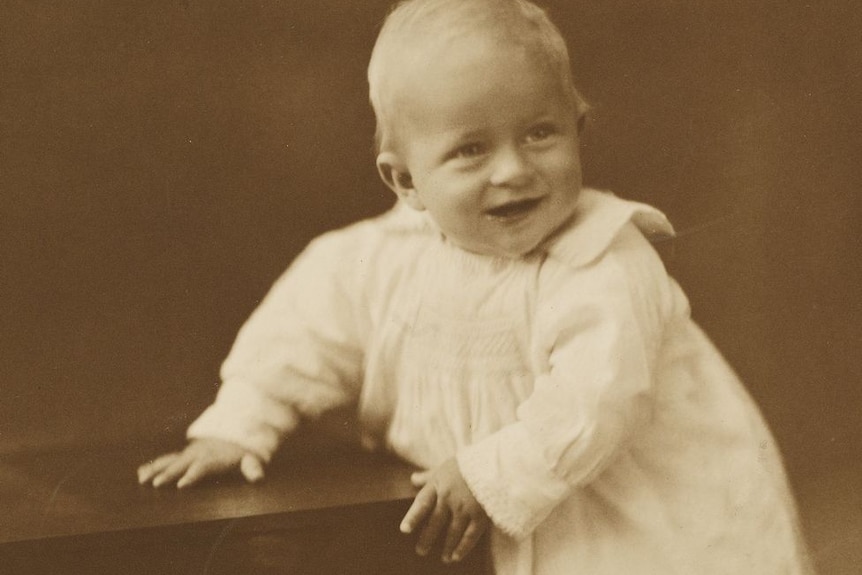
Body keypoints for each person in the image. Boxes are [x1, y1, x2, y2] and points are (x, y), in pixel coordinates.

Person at [138, 0, 815, 572]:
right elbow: (299, 335)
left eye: (540, 133)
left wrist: (488, 472)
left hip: (640, 517)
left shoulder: (602, 259)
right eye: (470, 149)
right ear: (405, 181)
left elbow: (596, 401)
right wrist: (241, 425)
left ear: (579, 130)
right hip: (507, 521)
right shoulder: (380, 259)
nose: (514, 170)